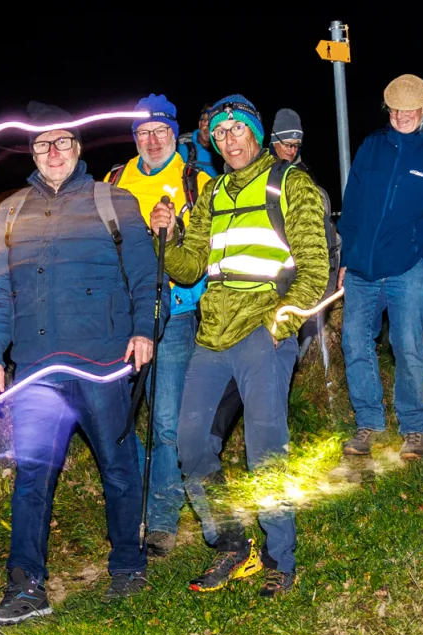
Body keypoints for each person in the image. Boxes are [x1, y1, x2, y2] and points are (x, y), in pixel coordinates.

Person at [0, 101, 162, 626]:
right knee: (32, 477)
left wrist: (144, 331)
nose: (52, 152)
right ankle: (26, 587)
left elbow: (148, 279)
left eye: (61, 142)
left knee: (120, 468)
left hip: (102, 362)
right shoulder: (11, 211)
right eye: (41, 144)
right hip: (34, 369)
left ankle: (128, 565)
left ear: (77, 148)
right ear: (30, 152)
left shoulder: (113, 201)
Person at [150, 94, 329, 598]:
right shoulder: (211, 195)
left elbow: (313, 270)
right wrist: (163, 236)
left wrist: (280, 324)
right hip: (212, 334)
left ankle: (279, 557)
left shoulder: (290, 184)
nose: (229, 141)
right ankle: (232, 546)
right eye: (220, 133)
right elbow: (189, 268)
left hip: (262, 332)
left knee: (265, 449)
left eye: (238, 130)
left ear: (255, 132)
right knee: (190, 442)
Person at [336, 74, 423, 459]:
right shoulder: (371, 147)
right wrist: (347, 259)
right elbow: (354, 208)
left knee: (407, 344)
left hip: (410, 267)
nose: (402, 116)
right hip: (363, 267)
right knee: (354, 342)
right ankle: (368, 423)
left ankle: (413, 427)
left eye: (410, 109)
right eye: (395, 109)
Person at [105, 94, 212, 557]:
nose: (151, 141)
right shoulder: (114, 181)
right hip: (120, 315)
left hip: (177, 312)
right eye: (143, 133)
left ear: (174, 133)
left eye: (160, 132)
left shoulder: (198, 181)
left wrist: (176, 230)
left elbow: (210, 249)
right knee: (120, 418)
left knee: (166, 421)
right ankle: (131, 506)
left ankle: (162, 522)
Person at [268, 108, 342, 361]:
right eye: (287, 144)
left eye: (297, 145)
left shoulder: (304, 174)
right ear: (273, 140)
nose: (292, 150)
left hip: (298, 274)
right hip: (269, 277)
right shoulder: (261, 172)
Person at [178, 103, 222, 177]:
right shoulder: (183, 149)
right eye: (205, 121)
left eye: (213, 122)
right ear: (200, 124)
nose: (208, 126)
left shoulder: (225, 153)